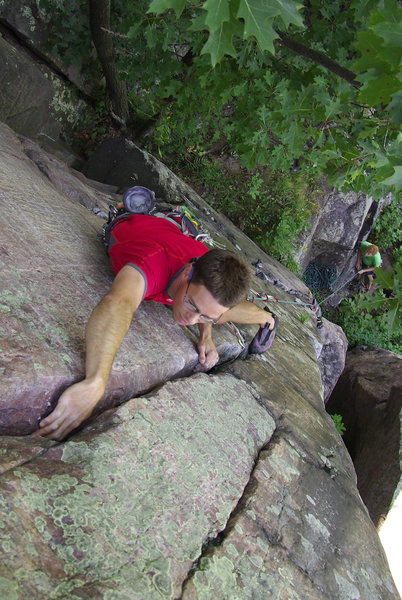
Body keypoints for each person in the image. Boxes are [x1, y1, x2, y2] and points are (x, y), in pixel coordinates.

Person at [37, 212, 276, 441]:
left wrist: (206, 335)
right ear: (188, 272)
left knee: (222, 313)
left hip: (174, 236)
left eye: (204, 315)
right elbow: (118, 303)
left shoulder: (205, 271)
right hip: (141, 227)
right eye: (191, 305)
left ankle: (268, 319)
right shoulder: (152, 263)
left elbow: (207, 307)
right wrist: (96, 382)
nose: (192, 320)